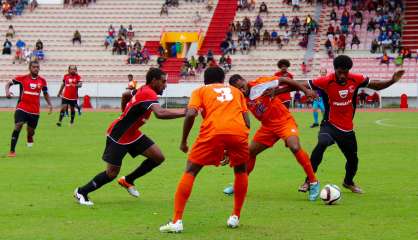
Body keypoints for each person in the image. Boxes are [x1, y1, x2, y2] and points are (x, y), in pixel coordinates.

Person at [74, 68, 185, 206]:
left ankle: (128, 180)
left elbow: (126, 94)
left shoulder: (143, 89)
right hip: (119, 135)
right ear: (154, 81)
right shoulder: (148, 92)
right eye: (163, 82)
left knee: (158, 157)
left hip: (132, 134)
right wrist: (185, 112)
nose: (165, 85)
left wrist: (124, 112)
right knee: (111, 173)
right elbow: (160, 113)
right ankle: (81, 192)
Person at [160, 67, 251, 233]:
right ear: (223, 79)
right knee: (241, 170)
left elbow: (190, 114)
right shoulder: (236, 92)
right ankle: (235, 217)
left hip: (213, 131)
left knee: (191, 170)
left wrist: (184, 141)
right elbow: (247, 120)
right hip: (238, 132)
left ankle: (177, 221)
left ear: (205, 79)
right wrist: (232, 144)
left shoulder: (200, 91)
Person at [298, 55, 405, 193]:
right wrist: (279, 89)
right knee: (322, 143)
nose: (342, 75)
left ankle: (348, 182)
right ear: (335, 69)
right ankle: (309, 181)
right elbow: (302, 85)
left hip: (347, 129)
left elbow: (377, 86)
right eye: (340, 72)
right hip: (329, 124)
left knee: (353, 160)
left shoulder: (356, 79)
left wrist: (392, 81)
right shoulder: (326, 80)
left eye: (345, 72)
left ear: (349, 70)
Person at [222, 74, 320, 200]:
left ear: (245, 81)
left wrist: (305, 90)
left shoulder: (260, 84)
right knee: (250, 152)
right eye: (238, 89)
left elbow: (284, 79)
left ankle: (313, 182)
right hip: (267, 127)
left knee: (294, 147)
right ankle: (239, 185)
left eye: (242, 86)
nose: (242, 90)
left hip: (284, 121)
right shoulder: (238, 98)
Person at [5, 61, 53, 157]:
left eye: (37, 67)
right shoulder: (22, 78)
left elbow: (45, 93)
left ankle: (29, 136)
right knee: (18, 125)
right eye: (34, 67)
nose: (36, 69)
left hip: (34, 111)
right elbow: (8, 84)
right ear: (29, 68)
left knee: (31, 131)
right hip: (22, 107)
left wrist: (50, 104)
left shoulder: (42, 81)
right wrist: (7, 92)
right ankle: (12, 151)